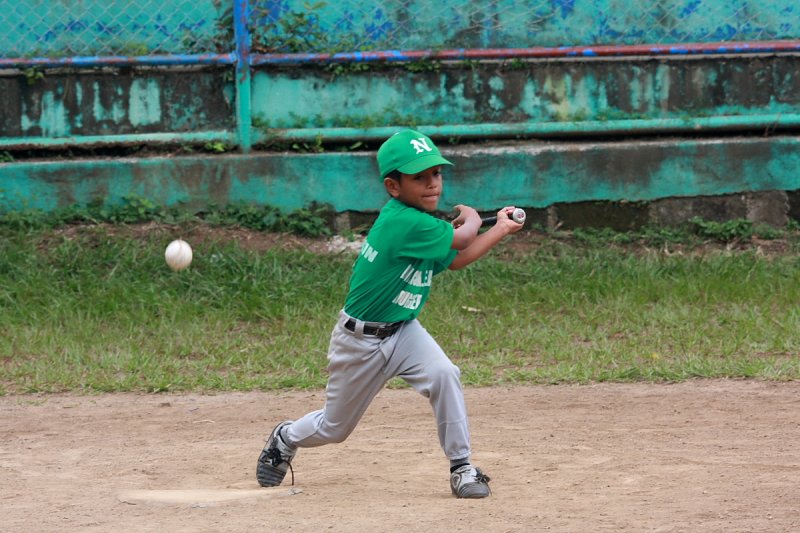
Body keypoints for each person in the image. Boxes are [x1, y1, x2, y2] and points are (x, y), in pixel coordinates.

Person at [256, 129, 524, 498]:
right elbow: (462, 238)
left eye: (437, 174)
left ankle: (462, 467)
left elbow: (458, 258)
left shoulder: (425, 225)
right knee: (335, 428)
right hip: (359, 341)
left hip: (402, 332)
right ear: (393, 187)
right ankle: (286, 436)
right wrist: (475, 217)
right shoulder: (402, 220)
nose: (432, 184)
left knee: (445, 373)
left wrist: (502, 229)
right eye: (419, 177)